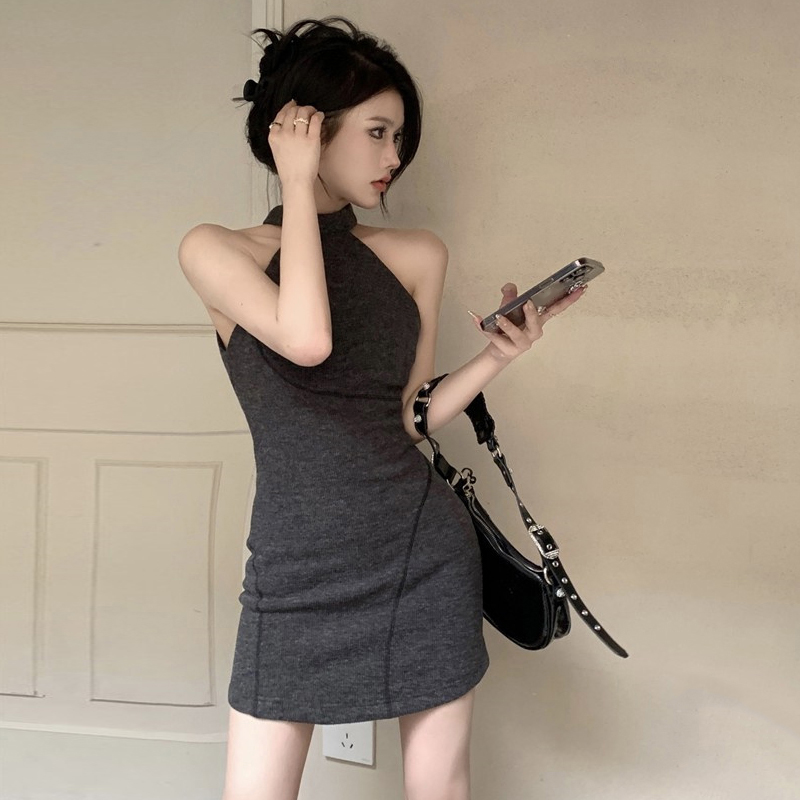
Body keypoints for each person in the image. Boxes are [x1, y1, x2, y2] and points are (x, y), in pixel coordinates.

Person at [178, 15, 587, 800]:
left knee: (441, 789)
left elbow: (409, 418)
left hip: (420, 555)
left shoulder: (416, 255)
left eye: (399, 137)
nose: (395, 157)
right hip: (295, 569)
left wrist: (499, 356)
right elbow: (306, 339)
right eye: (376, 132)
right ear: (304, 128)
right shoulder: (216, 250)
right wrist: (296, 188)